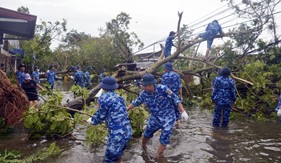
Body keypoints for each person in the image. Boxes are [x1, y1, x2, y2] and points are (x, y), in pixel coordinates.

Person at [127, 74, 189, 159]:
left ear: (150, 85)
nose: (142, 87)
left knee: (165, 135)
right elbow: (135, 102)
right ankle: (143, 147)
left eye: (144, 85)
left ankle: (159, 156)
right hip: (155, 117)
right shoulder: (144, 94)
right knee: (147, 133)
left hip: (168, 116)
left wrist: (183, 111)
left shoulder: (163, 89)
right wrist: (125, 110)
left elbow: (175, 99)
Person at [87, 76, 132, 163]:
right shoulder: (120, 97)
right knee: (117, 157)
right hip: (127, 131)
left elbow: (100, 115)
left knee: (108, 160)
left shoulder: (104, 98)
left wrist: (91, 121)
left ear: (103, 87)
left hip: (117, 135)